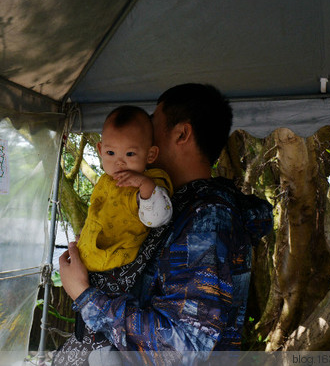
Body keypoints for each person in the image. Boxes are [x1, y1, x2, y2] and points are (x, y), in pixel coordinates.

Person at [55, 83, 273, 365]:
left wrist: (86, 297)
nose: (139, 132)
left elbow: (183, 346)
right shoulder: (173, 204)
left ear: (181, 133)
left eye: (151, 124)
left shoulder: (207, 221)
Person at [77, 105, 173, 277]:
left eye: (130, 154)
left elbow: (158, 218)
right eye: (111, 152)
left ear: (150, 155)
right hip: (88, 259)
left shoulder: (150, 182)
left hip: (116, 270)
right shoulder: (105, 181)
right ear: (100, 150)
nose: (119, 162)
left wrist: (144, 185)